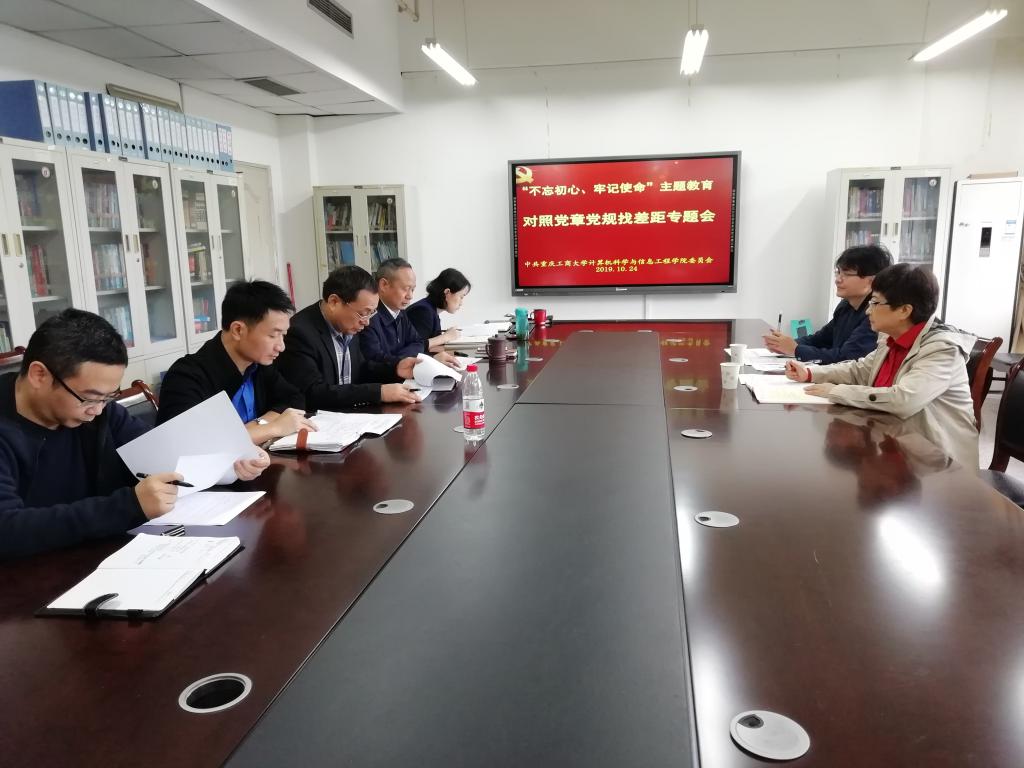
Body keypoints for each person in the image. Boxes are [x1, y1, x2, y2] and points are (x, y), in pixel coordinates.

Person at [0, 309, 268, 560]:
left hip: (106, 555)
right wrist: (128, 506)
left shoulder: (102, 412)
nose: (97, 410)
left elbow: (159, 455)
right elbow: (8, 528)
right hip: (31, 575)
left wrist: (229, 460)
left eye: (108, 397)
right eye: (89, 398)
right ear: (39, 375)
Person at [786, 263, 978, 469]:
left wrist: (836, 391)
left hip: (938, 466)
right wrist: (810, 373)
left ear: (904, 310)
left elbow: (904, 399)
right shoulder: (891, 337)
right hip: (896, 447)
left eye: (875, 303)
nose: (869, 311)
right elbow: (860, 370)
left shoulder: (941, 349)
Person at [158, 280, 315, 445]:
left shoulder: (257, 364)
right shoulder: (186, 377)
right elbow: (191, 444)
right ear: (238, 330)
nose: (281, 347)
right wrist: (274, 428)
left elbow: (294, 399)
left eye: (283, 335)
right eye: (273, 335)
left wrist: (257, 425)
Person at [276, 265, 420, 409]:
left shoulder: (348, 324)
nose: (367, 322)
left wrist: (395, 368)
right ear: (334, 302)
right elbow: (313, 393)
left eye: (371, 313)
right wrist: (378, 393)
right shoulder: (299, 333)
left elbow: (361, 370)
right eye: (363, 313)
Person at [764, 244, 891, 363]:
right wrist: (784, 344)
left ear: (871, 281)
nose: (838, 280)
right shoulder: (846, 305)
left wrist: (795, 350)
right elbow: (820, 339)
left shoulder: (875, 314)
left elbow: (846, 358)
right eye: (838, 272)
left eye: (846, 274)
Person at [360, 258, 458, 368]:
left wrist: (401, 357)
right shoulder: (368, 317)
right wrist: (425, 359)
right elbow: (375, 361)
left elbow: (418, 344)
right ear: (384, 285)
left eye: (412, 290)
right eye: (405, 289)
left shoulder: (400, 313)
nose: (410, 296)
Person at [406, 268, 471, 352]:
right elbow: (415, 347)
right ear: (447, 292)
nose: (461, 303)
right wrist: (446, 337)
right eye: (461, 297)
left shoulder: (431, 309)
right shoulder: (422, 311)